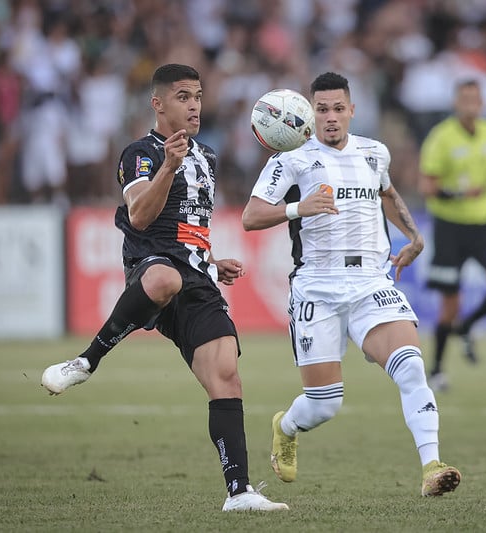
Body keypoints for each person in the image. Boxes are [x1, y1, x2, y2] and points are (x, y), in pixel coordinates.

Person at [40, 64, 288, 512]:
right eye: (182, 96)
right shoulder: (140, 154)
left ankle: (239, 492)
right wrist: (169, 167)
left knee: (227, 376)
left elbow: (191, 224)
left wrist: (213, 261)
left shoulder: (208, 156)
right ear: (158, 103)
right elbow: (139, 217)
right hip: (149, 261)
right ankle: (87, 360)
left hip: (197, 273)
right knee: (163, 277)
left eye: (197, 94)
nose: (194, 104)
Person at [242, 72, 461, 497]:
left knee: (412, 367)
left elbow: (388, 195)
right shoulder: (291, 157)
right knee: (325, 404)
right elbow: (251, 217)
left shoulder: (373, 152)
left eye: (338, 108)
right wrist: (298, 208)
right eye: (322, 109)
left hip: (370, 282)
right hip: (317, 287)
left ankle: (432, 466)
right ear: (310, 113)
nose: (330, 117)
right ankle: (286, 427)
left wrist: (414, 237)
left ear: (352, 110)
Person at [418, 79, 486, 392]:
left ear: (483, 103)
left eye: (476, 98)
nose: (471, 104)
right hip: (449, 226)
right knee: (450, 304)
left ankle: (468, 327)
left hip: (483, 224)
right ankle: (436, 370)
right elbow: (427, 186)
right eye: (465, 98)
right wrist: (459, 194)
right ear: (456, 103)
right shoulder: (441, 137)